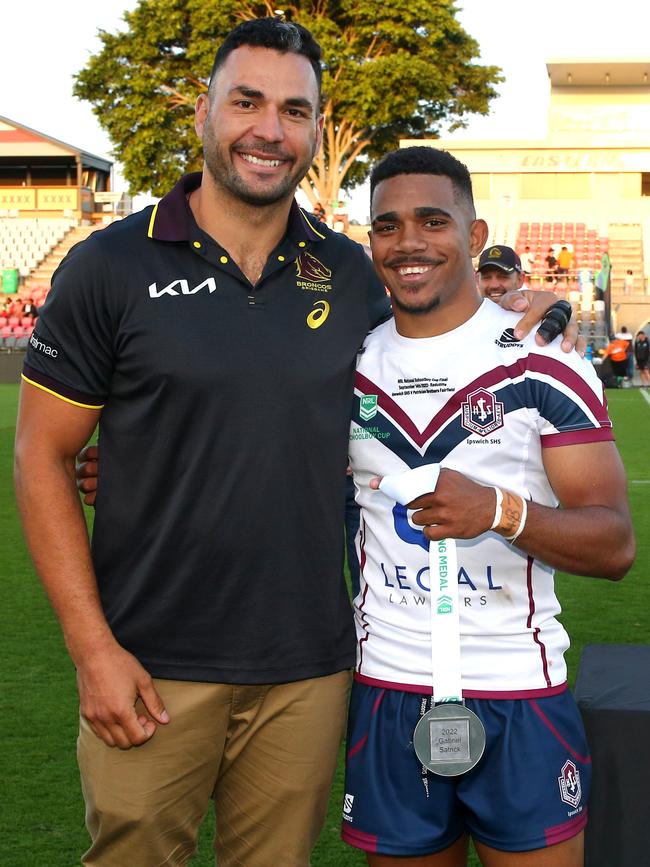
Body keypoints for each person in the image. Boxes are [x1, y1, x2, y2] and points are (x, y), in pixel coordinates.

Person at [16, 19, 582, 867]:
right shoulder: (110, 265)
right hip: (150, 658)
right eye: (247, 102)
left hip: (311, 668)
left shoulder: (352, 275)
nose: (269, 130)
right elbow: (42, 457)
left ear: (316, 131)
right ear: (204, 111)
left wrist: (528, 325)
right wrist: (93, 650)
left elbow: (441, 346)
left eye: (294, 110)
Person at [341, 146, 635, 866]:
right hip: (388, 686)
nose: (409, 242)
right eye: (388, 225)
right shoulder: (343, 364)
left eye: (433, 220)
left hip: (520, 689)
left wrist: (503, 510)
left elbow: (614, 543)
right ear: (371, 240)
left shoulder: (543, 361)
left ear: (474, 238)